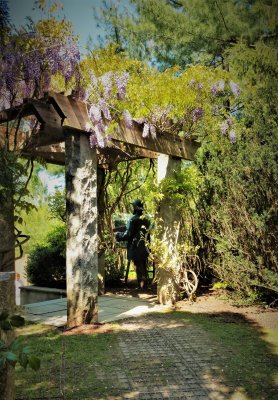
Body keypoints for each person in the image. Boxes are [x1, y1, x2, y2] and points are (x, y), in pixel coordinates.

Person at [115, 199, 150, 288]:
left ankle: (142, 286)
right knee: (142, 265)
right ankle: (143, 285)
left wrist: (119, 236)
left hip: (135, 247)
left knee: (138, 265)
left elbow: (129, 234)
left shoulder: (133, 219)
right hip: (145, 247)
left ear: (136, 208)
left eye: (133, 206)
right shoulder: (146, 220)